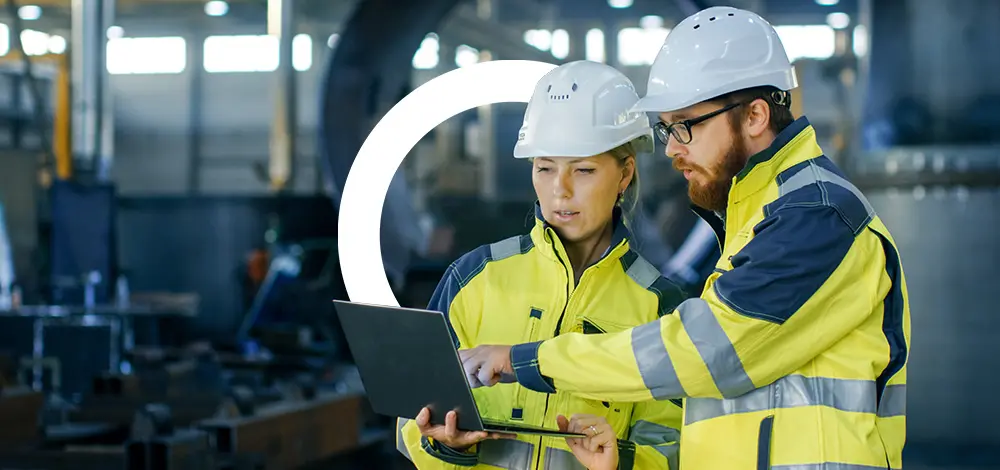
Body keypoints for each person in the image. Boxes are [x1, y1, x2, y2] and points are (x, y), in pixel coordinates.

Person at [458, 6, 911, 470]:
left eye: (685, 125)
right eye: (668, 127)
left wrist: (529, 360)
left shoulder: (816, 213)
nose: (672, 147)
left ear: (754, 115)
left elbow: (705, 353)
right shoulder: (758, 213)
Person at [396, 60, 689, 469]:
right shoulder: (473, 277)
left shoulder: (660, 308)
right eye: (544, 167)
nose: (560, 190)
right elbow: (411, 419)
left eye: (583, 170)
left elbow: (679, 447)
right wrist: (445, 445)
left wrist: (623, 460)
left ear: (625, 175)